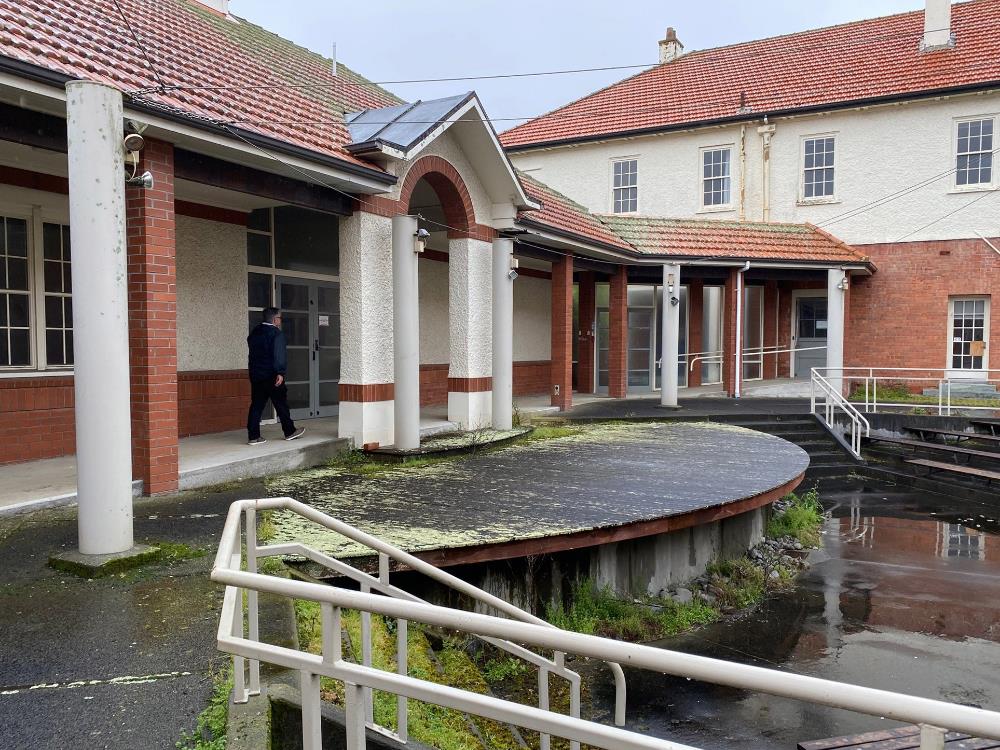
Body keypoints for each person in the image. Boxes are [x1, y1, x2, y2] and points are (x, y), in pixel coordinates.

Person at [246, 307, 305, 445]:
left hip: (256, 375)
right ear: (274, 319)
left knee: (256, 405)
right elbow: (279, 355)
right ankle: (289, 431)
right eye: (280, 318)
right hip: (272, 375)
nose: (280, 321)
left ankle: (253, 436)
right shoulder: (276, 334)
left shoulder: (254, 332)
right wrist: (280, 372)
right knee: (281, 404)